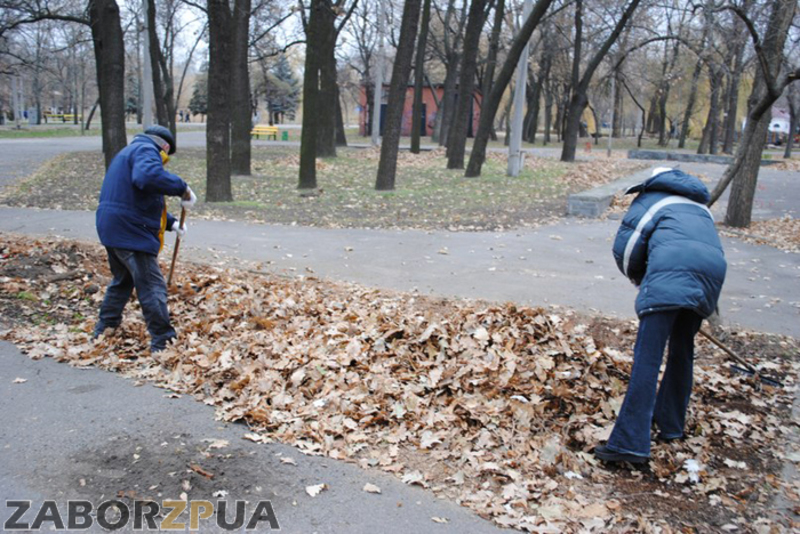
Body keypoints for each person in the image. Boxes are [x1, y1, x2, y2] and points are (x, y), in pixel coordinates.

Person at [594, 167, 727, 464]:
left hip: (669, 276)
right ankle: (671, 425)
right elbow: (706, 249)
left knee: (648, 357)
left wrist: (640, 279)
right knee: (682, 350)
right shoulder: (699, 206)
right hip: (709, 280)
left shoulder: (650, 199)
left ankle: (629, 444)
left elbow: (626, 249)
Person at [93, 125, 197, 352]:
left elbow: (139, 198)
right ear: (165, 146)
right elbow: (147, 178)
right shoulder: (146, 150)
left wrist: (171, 223)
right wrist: (182, 188)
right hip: (130, 231)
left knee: (123, 280)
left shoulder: (128, 152)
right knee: (152, 285)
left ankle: (105, 327)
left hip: (112, 227)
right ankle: (163, 339)